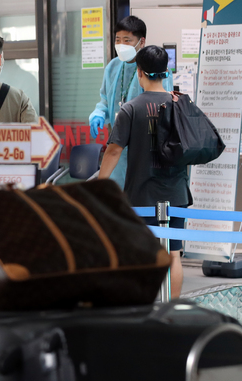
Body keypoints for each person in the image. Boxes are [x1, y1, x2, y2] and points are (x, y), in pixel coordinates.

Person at [99, 46, 186, 298]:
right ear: (165, 72)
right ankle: (173, 309)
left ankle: (145, 312)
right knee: (173, 253)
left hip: (142, 197)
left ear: (139, 73)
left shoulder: (131, 108)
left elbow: (113, 151)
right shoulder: (180, 104)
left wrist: (100, 186)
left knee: (140, 256)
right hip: (177, 193)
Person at [89, 16, 173, 189]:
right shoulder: (113, 67)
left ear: (141, 42)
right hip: (119, 145)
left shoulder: (156, 69)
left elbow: (163, 104)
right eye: (118, 40)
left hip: (146, 147)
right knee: (120, 198)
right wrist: (99, 113)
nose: (121, 45)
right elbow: (105, 99)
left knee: (143, 198)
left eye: (127, 41)